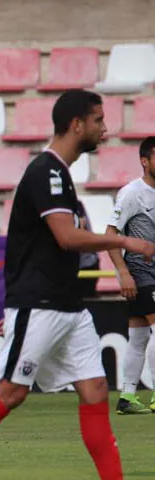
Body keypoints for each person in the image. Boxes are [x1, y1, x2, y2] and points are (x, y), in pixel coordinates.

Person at [0, 89, 155, 480]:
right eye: (97, 120)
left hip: (68, 305)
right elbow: (66, 238)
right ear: (76, 125)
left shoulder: (61, 175)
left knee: (95, 389)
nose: (104, 129)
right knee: (12, 391)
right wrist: (125, 240)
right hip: (39, 303)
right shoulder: (45, 172)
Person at [105, 137, 155, 415]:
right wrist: (123, 272)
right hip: (141, 272)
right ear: (144, 161)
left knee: (138, 338)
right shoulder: (132, 193)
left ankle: (127, 396)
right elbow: (110, 235)